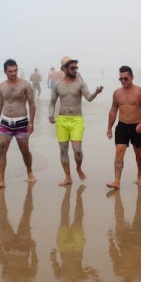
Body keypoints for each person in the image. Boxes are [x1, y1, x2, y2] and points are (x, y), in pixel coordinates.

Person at [49, 56, 104, 186]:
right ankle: (68, 177)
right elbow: (52, 102)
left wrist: (96, 92)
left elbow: (89, 98)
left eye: (76, 68)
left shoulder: (80, 83)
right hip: (62, 120)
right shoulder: (58, 85)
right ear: (64, 69)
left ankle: (78, 168)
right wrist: (50, 114)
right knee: (63, 149)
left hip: (76, 120)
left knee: (77, 149)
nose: (75, 70)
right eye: (72, 68)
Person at [0, 59, 36, 190]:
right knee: (1, 148)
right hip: (5, 121)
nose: (13, 73)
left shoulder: (25, 85)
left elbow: (32, 103)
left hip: (21, 121)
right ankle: (1, 180)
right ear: (5, 71)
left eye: (15, 70)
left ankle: (30, 172)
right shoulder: (2, 86)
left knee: (25, 151)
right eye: (10, 71)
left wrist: (31, 122)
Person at [106, 66, 141, 189]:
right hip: (122, 126)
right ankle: (116, 181)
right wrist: (109, 127)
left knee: (138, 152)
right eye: (120, 79)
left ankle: (140, 175)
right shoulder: (117, 93)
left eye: (125, 78)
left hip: (137, 126)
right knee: (119, 152)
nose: (123, 81)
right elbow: (113, 110)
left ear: (132, 77)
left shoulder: (140, 92)